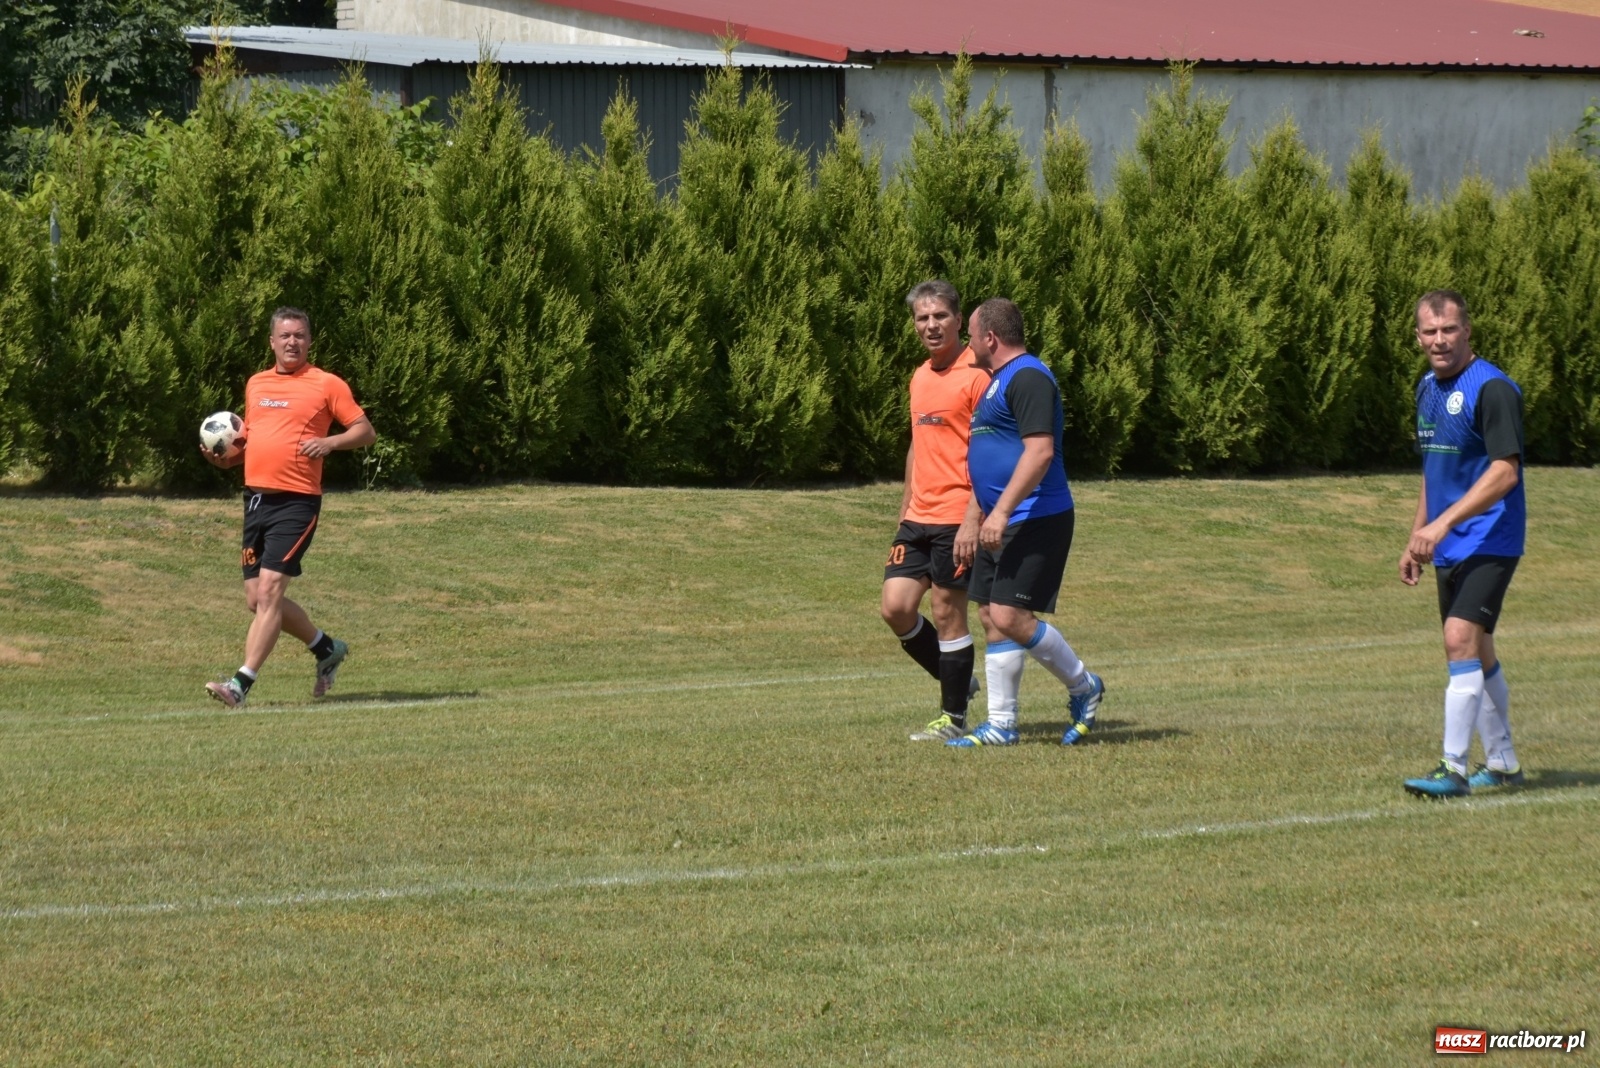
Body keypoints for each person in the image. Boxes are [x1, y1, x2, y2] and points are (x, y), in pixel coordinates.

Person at [200, 306, 376, 708]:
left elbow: (365, 431)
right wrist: (224, 461)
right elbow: (255, 444)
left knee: (271, 590)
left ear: (309, 341)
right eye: (285, 336)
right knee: (257, 600)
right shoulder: (256, 384)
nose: (292, 342)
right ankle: (325, 647)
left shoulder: (326, 384)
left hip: (297, 502)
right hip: (256, 500)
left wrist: (330, 443)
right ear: (272, 342)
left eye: (299, 335)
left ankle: (240, 684)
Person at [948, 297, 1103, 747]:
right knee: (991, 617)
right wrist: (974, 519)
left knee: (1011, 615)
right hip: (999, 519)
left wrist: (999, 513)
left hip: (1036, 516)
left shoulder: (1029, 376)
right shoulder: (996, 382)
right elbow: (991, 461)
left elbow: (1039, 453)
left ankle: (1083, 686)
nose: (968, 344)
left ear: (990, 338)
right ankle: (1001, 725)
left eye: (971, 334)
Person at [1400, 290, 1526, 798]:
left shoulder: (1493, 388)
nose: (1439, 340)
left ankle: (1452, 768)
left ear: (1467, 331)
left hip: (1491, 537)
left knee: (1458, 639)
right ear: (1418, 337)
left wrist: (1443, 524)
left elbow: (1505, 472)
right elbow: (1435, 470)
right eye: (1429, 332)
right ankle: (1502, 763)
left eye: (1448, 329)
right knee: (1479, 649)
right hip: (1447, 540)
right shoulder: (1426, 388)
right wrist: (1417, 535)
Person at [883, 281, 992, 741]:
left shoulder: (979, 376)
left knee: (949, 613)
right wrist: (905, 504)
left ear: (957, 319)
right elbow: (918, 444)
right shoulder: (919, 376)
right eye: (922, 318)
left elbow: (990, 455)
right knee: (896, 608)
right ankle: (959, 684)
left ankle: (953, 720)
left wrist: (974, 516)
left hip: (956, 517)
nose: (931, 325)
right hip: (918, 517)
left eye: (940, 316)